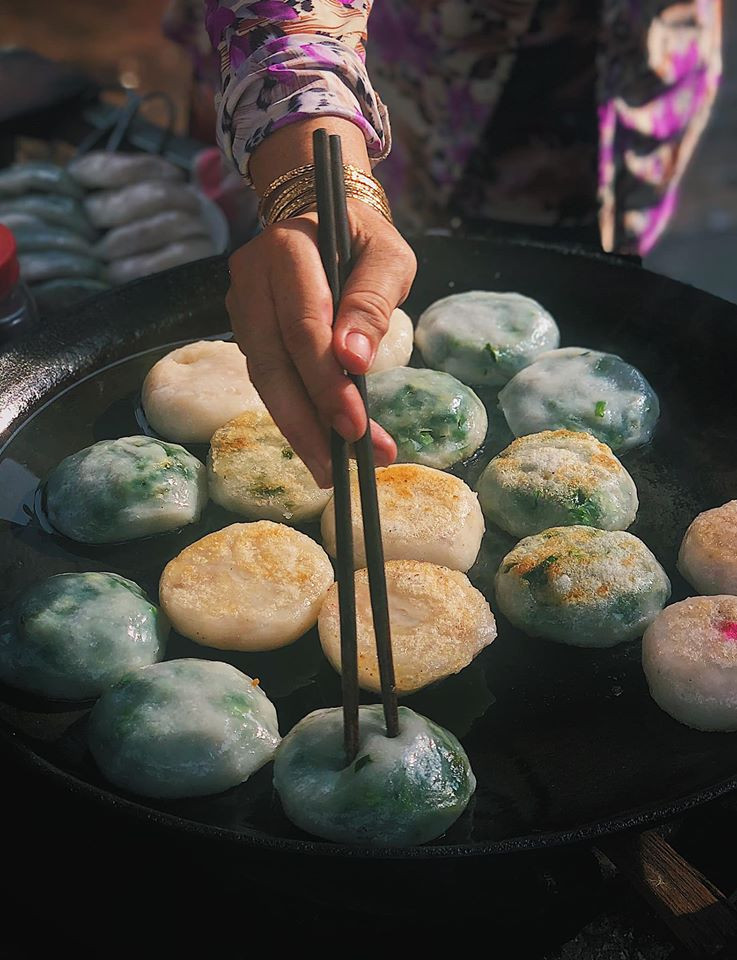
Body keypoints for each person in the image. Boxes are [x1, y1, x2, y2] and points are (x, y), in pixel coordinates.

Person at [171, 0, 722, 485]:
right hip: (412, 83)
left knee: (606, 270)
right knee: (339, 276)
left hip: (637, 82)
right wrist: (312, 187)